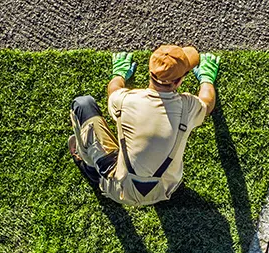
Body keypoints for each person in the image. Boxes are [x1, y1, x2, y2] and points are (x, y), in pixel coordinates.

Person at [68, 45, 220, 206]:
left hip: (120, 189)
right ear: (179, 81)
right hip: (165, 189)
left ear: (150, 71)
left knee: (83, 104)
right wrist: (206, 79)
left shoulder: (124, 100)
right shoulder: (188, 107)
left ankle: (91, 168)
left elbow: (114, 89)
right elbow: (207, 102)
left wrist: (119, 74)